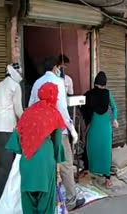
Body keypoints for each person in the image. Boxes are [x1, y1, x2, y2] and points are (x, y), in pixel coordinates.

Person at [28, 57, 85, 210]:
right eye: (59, 67)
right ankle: (71, 200)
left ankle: (49, 199)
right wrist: (72, 130)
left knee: (47, 164)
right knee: (65, 163)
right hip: (58, 130)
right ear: (55, 68)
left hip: (41, 133)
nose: (60, 70)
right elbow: (63, 110)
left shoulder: (36, 83)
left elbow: (30, 107)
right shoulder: (58, 82)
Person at [4, 83, 66, 214]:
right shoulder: (54, 114)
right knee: (46, 204)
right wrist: (58, 171)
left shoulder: (27, 113)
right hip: (46, 164)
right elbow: (58, 145)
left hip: (27, 163)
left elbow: (16, 143)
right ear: (53, 96)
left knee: (28, 204)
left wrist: (30, 146)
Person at [0, 63, 24, 212]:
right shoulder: (15, 86)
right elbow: (19, 110)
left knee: (3, 165)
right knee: (6, 167)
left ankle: (2, 199)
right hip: (7, 129)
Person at [80, 72, 119, 188]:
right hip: (105, 127)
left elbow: (82, 107)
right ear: (104, 83)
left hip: (94, 126)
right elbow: (114, 107)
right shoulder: (107, 93)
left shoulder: (89, 94)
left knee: (91, 148)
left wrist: (85, 120)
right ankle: (107, 178)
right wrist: (115, 119)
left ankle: (88, 169)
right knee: (105, 151)